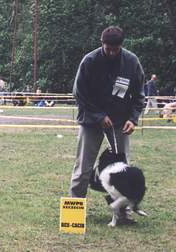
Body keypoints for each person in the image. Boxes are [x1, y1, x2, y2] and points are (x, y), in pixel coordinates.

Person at [69, 26, 145, 223]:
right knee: (83, 168)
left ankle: (122, 215)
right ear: (102, 44)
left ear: (121, 46)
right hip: (90, 121)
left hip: (120, 122)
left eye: (115, 48)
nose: (111, 52)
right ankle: (74, 213)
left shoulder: (131, 62)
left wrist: (133, 118)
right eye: (107, 48)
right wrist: (98, 115)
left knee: (123, 171)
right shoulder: (90, 61)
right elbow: (79, 93)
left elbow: (139, 95)